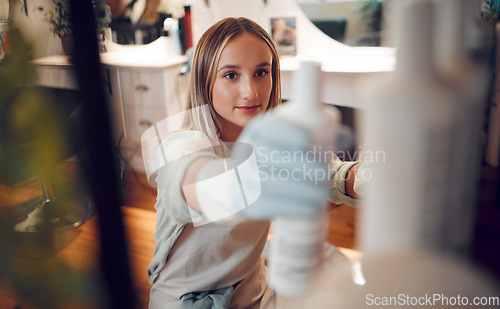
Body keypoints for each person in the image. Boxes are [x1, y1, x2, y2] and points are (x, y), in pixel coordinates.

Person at [147, 17, 361, 308]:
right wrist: (253, 182)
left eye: (261, 72)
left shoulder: (274, 143)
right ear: (204, 80)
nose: (250, 91)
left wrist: (364, 178)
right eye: (231, 75)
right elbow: (198, 181)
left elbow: (335, 175)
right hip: (183, 300)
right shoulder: (181, 145)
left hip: (254, 293)